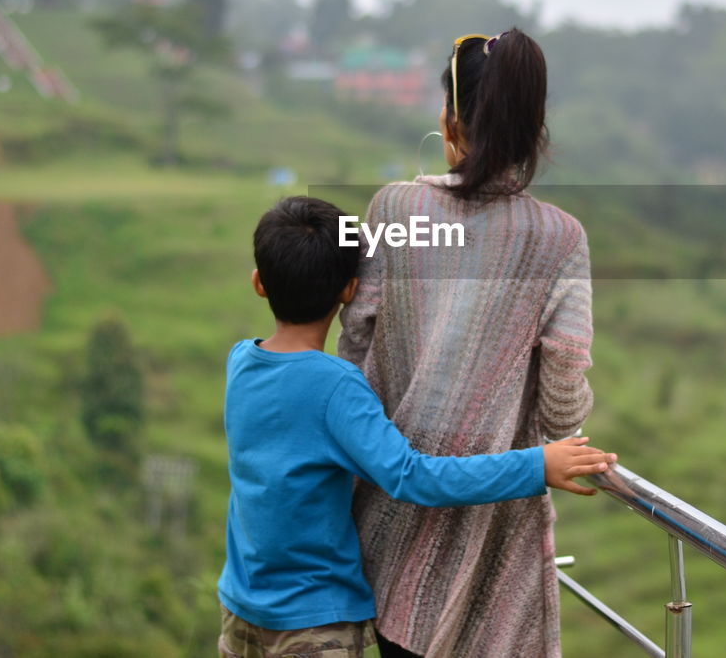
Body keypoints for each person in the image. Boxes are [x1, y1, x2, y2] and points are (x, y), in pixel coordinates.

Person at [217, 195, 614, 658]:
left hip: (241, 606)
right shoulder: (337, 388)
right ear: (350, 291)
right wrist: (534, 465)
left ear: (259, 283)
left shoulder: (241, 361)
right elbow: (412, 476)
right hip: (313, 621)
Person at [339, 28, 594, 657]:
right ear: (533, 129)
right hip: (490, 527)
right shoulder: (560, 240)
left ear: (451, 119)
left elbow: (354, 349)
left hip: (383, 515)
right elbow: (563, 409)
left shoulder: (392, 210)